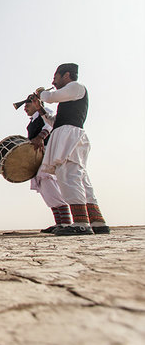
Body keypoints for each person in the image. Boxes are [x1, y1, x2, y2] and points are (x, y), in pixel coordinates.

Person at [31, 63, 110, 235]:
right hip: (68, 135)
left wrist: (40, 93)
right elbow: (54, 121)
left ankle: (81, 223)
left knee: (68, 175)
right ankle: (97, 222)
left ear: (66, 75)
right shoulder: (69, 95)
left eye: (55, 77)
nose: (54, 81)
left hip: (69, 137)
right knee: (80, 178)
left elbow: (50, 96)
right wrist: (40, 108)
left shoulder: (76, 87)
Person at [23, 97, 72, 233]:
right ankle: (59, 224)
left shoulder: (44, 112)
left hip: (49, 153)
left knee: (51, 186)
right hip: (40, 156)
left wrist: (40, 137)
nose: (25, 109)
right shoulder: (33, 119)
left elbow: (50, 125)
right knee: (46, 190)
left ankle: (66, 223)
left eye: (27, 105)